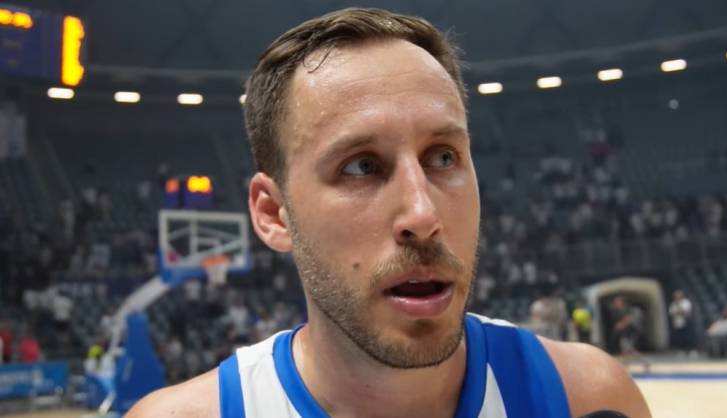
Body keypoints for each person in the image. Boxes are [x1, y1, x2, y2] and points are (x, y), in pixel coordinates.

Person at [126, 8, 650, 418]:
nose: (422, 215)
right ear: (273, 213)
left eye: (443, 158)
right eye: (361, 167)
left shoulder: (587, 398)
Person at [668, 289, 694, 355]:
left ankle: (690, 350)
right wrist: (679, 312)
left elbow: (685, 312)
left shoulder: (686, 302)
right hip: (678, 323)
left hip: (686, 322)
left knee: (688, 337)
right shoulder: (673, 304)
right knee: (679, 337)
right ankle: (681, 350)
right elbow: (672, 313)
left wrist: (679, 310)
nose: (677, 297)